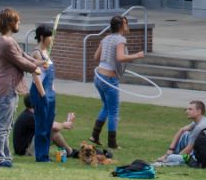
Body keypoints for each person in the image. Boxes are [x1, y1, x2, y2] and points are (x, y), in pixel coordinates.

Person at [0, 8, 45, 168]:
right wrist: (35, 69)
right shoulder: (6, 42)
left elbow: (23, 55)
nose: (20, 23)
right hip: (5, 88)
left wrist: (39, 62)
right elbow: (19, 61)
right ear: (10, 23)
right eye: (18, 21)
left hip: (10, 88)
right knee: (2, 126)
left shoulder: (9, 40)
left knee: (7, 126)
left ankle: (6, 158)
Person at [89, 15, 144, 152]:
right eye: (126, 23)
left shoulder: (106, 38)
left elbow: (96, 57)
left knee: (107, 107)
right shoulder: (120, 39)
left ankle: (94, 136)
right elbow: (120, 57)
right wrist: (136, 55)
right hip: (109, 80)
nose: (127, 26)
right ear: (120, 26)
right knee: (113, 111)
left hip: (99, 78)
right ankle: (112, 143)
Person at [11, 94, 77, 160]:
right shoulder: (30, 117)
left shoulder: (29, 114)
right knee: (52, 131)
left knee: (52, 131)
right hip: (25, 151)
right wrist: (63, 125)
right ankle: (70, 152)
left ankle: (69, 152)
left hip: (25, 148)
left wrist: (65, 123)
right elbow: (52, 126)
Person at [28, 23, 59, 162]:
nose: (51, 39)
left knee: (48, 123)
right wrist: (43, 95)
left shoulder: (47, 52)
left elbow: (51, 76)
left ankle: (45, 154)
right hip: (41, 93)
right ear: (42, 37)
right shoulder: (36, 53)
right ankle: (40, 156)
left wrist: (53, 91)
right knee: (41, 124)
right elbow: (36, 77)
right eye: (49, 36)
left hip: (50, 92)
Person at [159, 100, 206, 165]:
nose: (187, 111)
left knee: (172, 158)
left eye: (190, 109)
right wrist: (170, 150)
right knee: (186, 134)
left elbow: (188, 149)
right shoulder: (201, 121)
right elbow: (181, 130)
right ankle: (170, 156)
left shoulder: (200, 127)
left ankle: (167, 160)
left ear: (199, 111)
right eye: (187, 109)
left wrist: (173, 157)